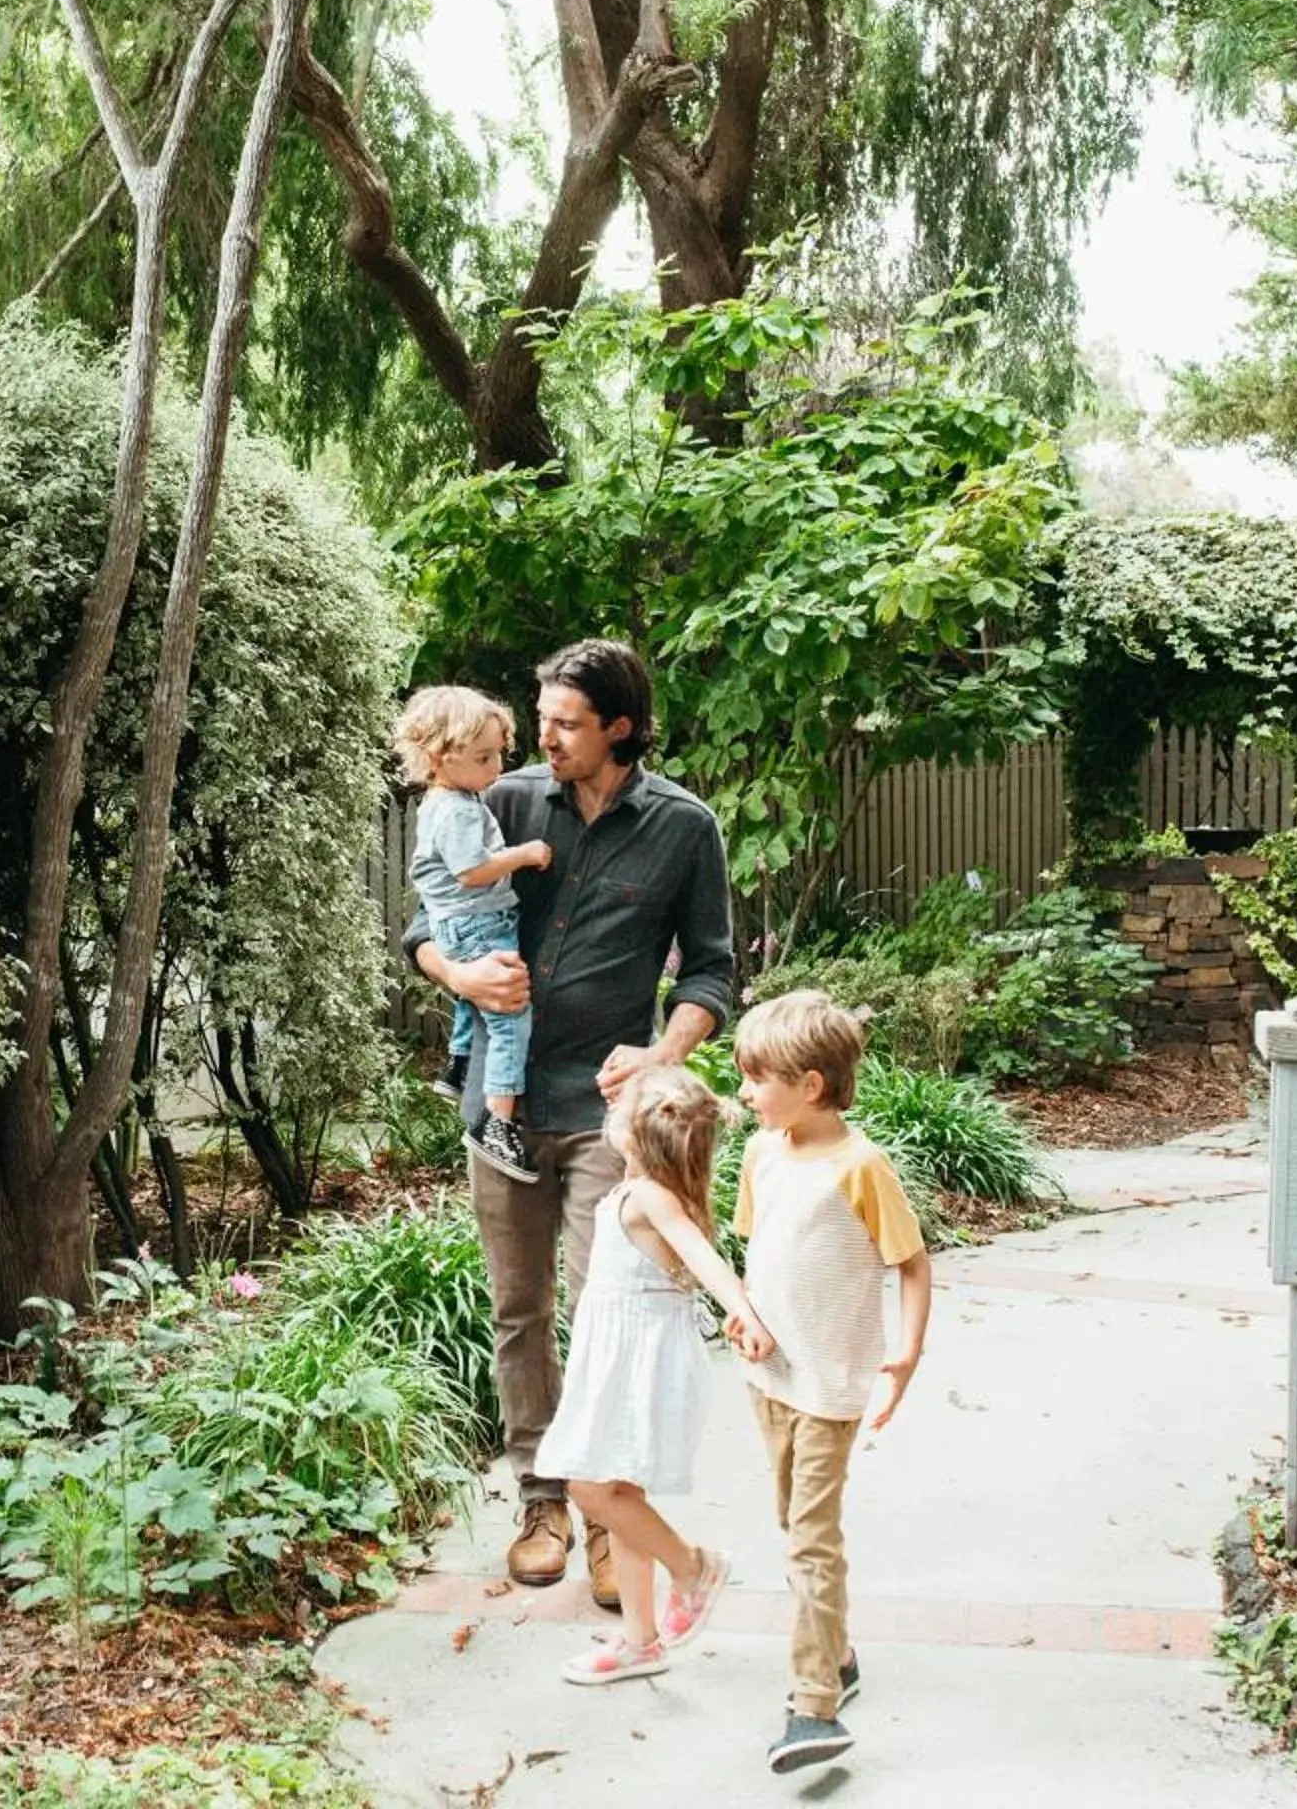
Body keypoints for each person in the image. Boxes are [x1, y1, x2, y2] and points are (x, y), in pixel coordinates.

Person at [400, 639, 736, 1610]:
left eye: (565, 722)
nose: (542, 735)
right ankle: (541, 1498)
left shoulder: (683, 827)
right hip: (499, 1104)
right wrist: (459, 975)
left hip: (606, 1111)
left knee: (599, 1312)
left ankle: (605, 1516)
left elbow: (713, 967)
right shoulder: (496, 801)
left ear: (619, 728)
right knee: (519, 1310)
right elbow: (421, 921)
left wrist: (665, 1055)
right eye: (540, 717)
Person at [728, 988, 935, 1774]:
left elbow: (912, 1263)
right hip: (769, 1379)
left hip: (832, 1386)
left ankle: (813, 1706)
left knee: (812, 1540)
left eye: (757, 1077)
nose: (744, 1091)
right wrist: (740, 1315)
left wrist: (908, 1353)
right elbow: (761, 1259)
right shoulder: (761, 1153)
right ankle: (840, 1654)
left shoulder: (861, 1167)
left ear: (810, 1084)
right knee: (791, 1521)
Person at [536, 1067, 774, 1685]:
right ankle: (641, 1640)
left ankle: (692, 1567)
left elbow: (704, 1258)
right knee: (619, 1494)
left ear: (638, 1135)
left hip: (638, 1364)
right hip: (621, 1356)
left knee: (590, 1487)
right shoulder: (640, 1191)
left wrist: (742, 1309)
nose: (608, 1107)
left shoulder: (651, 1198)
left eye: (622, 1106)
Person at [391, 686, 550, 1183]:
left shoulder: (449, 798)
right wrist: (525, 854)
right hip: (476, 919)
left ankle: (459, 1065)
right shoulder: (457, 808)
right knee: (509, 1018)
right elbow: (472, 870)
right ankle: (496, 1124)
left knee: (473, 998)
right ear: (439, 757)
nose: (496, 768)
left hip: (458, 923)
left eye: (499, 753)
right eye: (483, 757)